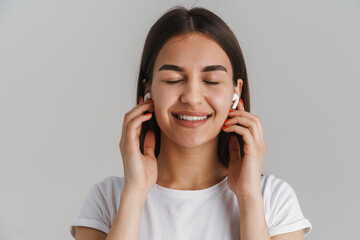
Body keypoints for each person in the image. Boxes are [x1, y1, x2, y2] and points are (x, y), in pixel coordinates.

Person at [70, 6, 312, 240]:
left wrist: (249, 197)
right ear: (148, 89)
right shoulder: (107, 199)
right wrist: (135, 193)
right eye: (174, 79)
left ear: (235, 92)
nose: (192, 97)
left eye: (212, 80)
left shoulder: (273, 198)